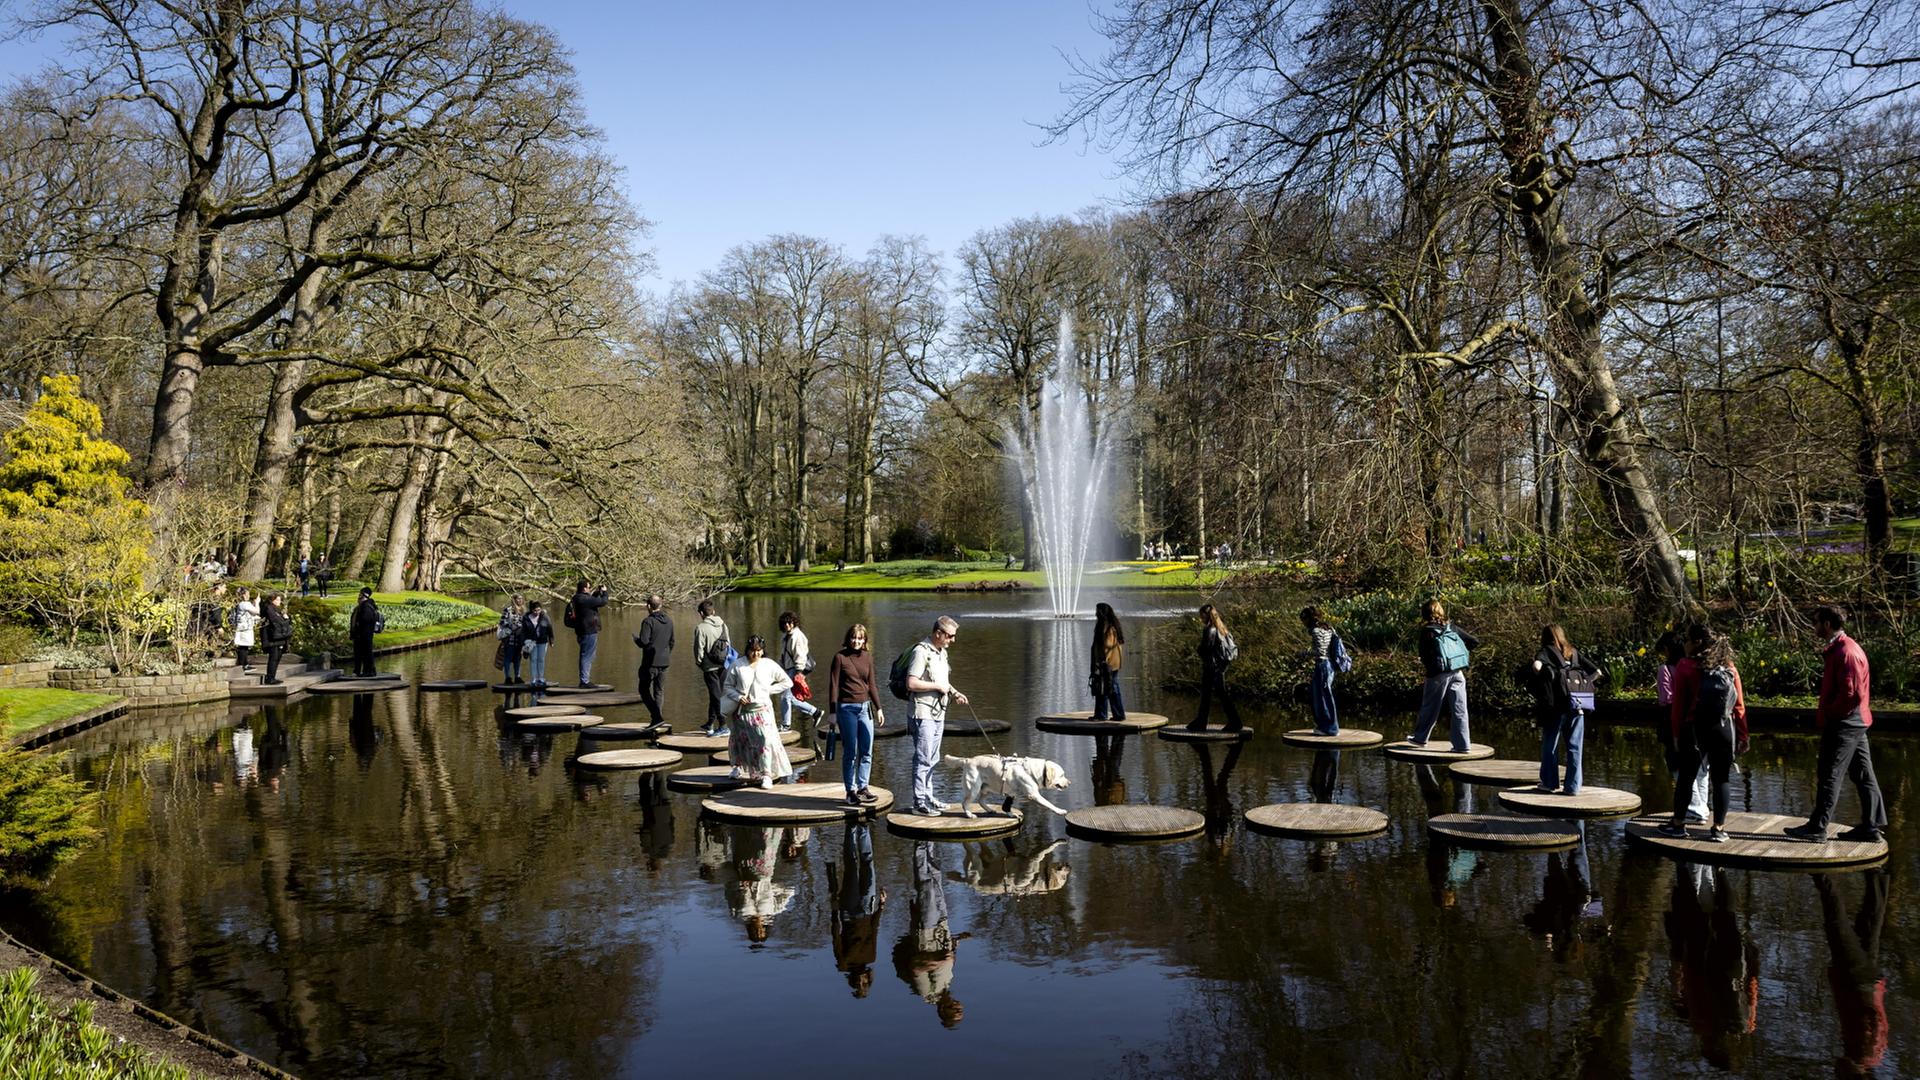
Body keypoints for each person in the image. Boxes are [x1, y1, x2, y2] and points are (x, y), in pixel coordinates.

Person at [1787, 605, 1887, 843]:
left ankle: (1817, 828)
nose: (1813, 626)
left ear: (1827, 624)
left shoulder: (1846, 652)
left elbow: (1852, 695)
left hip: (1845, 722)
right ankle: (1871, 827)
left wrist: (1831, 714)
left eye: (1816, 622)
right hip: (1856, 721)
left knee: (1829, 773)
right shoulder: (1842, 648)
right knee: (1863, 774)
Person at [1658, 631, 1748, 842]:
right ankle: (1718, 829)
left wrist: (1676, 734)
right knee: (1722, 779)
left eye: (1687, 640)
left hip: (1695, 730)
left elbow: (1678, 706)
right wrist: (1743, 735)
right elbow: (1739, 705)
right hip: (1724, 729)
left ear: (1696, 642)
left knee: (1686, 778)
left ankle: (1678, 825)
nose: (1685, 645)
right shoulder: (1729, 667)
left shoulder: (1686, 666)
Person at [892, 842, 966, 1028]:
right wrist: (955, 944)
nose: (958, 1004)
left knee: (926, 885)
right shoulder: (946, 985)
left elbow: (916, 967)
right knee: (936, 878)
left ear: (943, 1010)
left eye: (955, 1009)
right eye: (959, 1008)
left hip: (928, 932)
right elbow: (947, 957)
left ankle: (919, 842)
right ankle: (929, 839)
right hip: (943, 927)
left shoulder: (927, 993)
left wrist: (943, 960)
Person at [903, 616, 968, 816]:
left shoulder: (942, 652)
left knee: (933, 758)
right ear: (938, 633)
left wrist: (955, 693)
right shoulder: (921, 652)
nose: (953, 640)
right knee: (923, 759)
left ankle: (928, 796)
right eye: (950, 636)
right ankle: (919, 803)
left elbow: (943, 682)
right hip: (922, 714)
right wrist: (938, 687)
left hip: (938, 713)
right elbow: (911, 683)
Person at [1530, 623, 1602, 795]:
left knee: (1551, 744)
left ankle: (1549, 783)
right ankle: (1573, 787)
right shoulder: (1573, 652)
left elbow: (1536, 666)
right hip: (1578, 705)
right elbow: (1598, 672)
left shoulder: (1546, 651)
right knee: (1575, 747)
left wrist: (1546, 676)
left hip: (1556, 707)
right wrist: (1584, 683)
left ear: (1545, 637)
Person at [721, 635, 795, 789]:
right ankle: (737, 766)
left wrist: (769, 690)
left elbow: (787, 682)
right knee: (739, 740)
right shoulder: (737, 665)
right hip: (742, 711)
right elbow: (727, 686)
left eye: (759, 650)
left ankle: (766, 774)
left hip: (762, 709)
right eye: (752, 650)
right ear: (747, 650)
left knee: (765, 740)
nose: (756, 654)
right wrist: (738, 696)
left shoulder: (769, 665)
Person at [1408, 600, 1480, 751]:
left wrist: (1431, 665)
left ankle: (1420, 738)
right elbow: (1474, 641)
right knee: (1460, 709)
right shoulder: (1451, 627)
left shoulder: (1427, 631)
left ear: (1425, 614)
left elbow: (1423, 654)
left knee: (1430, 707)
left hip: (1437, 674)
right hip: (1457, 671)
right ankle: (1463, 745)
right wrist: (1457, 653)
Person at [1655, 631, 1711, 824]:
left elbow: (1666, 699)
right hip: (1701, 722)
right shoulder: (1698, 666)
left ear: (1667, 649)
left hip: (1676, 722)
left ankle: (1695, 809)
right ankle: (1703, 807)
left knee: (1678, 767)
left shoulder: (1666, 669)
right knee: (1701, 768)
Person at [828, 623, 884, 807]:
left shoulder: (868, 657)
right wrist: (832, 712)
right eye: (853, 637)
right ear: (848, 638)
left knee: (867, 750)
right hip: (846, 709)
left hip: (865, 708)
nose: (856, 641)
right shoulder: (840, 657)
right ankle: (850, 791)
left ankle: (863, 787)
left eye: (860, 638)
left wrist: (879, 708)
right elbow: (834, 685)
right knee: (851, 751)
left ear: (865, 640)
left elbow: (872, 684)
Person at [830, 823, 886, 998]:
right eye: (865, 983)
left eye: (859, 984)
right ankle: (864, 828)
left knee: (852, 866)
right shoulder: (871, 957)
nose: (862, 981)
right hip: (868, 910)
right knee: (868, 864)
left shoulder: (843, 964)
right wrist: (881, 906)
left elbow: (836, 937)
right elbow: (874, 931)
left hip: (849, 914)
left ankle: (851, 828)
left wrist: (834, 912)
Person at [1187, 604, 1242, 732]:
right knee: (1216, 694)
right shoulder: (1221, 627)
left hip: (1212, 667)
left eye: (1202, 615)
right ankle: (1203, 721)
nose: (1200, 618)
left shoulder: (1210, 629)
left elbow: (1206, 648)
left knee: (1213, 694)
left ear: (1207, 615)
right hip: (1219, 666)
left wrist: (1199, 650)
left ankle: (1233, 722)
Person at [1300, 605, 1341, 736]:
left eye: (1303, 620)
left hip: (1322, 665)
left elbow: (1319, 652)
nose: (1303, 623)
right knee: (1322, 695)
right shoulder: (1328, 628)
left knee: (1321, 697)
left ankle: (1330, 728)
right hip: (1329, 666)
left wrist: (1304, 653)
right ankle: (1327, 726)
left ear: (1308, 619)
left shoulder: (1316, 631)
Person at [777, 611, 821, 732]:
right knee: (790, 697)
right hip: (788, 669)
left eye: (789, 622)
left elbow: (800, 655)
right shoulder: (785, 636)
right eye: (785, 623)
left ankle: (786, 725)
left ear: (794, 622)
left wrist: (799, 673)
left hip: (795, 669)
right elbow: (783, 655)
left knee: (785, 697)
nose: (787, 625)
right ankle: (815, 712)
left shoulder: (797, 636)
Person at [634, 594, 673, 727]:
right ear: (660, 605)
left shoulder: (648, 621)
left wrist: (637, 641)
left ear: (648, 606)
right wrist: (665, 653)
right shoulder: (669, 621)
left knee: (643, 689)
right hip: (664, 661)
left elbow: (644, 642)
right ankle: (658, 718)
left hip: (650, 662)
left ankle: (656, 717)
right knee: (659, 691)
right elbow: (672, 641)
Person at [694, 599, 732, 735]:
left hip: (710, 667)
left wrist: (699, 662)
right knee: (715, 694)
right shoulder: (723, 625)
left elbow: (699, 649)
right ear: (713, 611)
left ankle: (723, 725)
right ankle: (710, 723)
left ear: (701, 613)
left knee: (716, 696)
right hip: (723, 665)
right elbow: (728, 644)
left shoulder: (701, 628)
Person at [565, 581, 610, 688]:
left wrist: (597, 592)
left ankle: (585, 680)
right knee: (586, 656)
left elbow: (592, 600)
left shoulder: (577, 598)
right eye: (589, 587)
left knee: (588, 655)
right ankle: (584, 681)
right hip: (588, 631)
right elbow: (603, 602)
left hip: (582, 630)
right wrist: (605, 592)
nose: (590, 589)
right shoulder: (584, 599)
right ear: (584, 589)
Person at [1089, 602, 1127, 722]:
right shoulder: (1108, 626)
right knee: (1108, 687)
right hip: (1110, 664)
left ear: (1101, 613)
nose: (1095, 613)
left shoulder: (1107, 628)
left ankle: (1106, 714)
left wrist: (1102, 662)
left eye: (1097, 611)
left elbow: (1107, 646)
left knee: (1107, 687)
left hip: (1107, 664)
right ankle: (1112, 714)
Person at [349, 587, 382, 677]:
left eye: (360, 594)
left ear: (364, 595)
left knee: (366, 653)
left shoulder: (366, 606)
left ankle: (368, 671)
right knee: (360, 653)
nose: (358, 596)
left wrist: (358, 627)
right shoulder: (363, 606)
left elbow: (366, 620)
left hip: (364, 634)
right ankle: (358, 671)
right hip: (361, 634)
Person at [260, 593, 292, 684]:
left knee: (277, 657)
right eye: (277, 600)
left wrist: (286, 619)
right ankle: (270, 678)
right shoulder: (269, 609)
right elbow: (276, 621)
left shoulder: (276, 609)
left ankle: (272, 676)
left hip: (278, 637)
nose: (279, 602)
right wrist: (286, 619)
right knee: (274, 657)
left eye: (279, 600)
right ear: (272, 600)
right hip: (273, 637)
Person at [522, 601, 554, 688]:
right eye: (535, 610)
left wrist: (551, 640)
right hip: (531, 642)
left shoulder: (545, 616)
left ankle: (541, 678)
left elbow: (550, 628)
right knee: (533, 659)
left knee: (541, 659)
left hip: (543, 641)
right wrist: (524, 642)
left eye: (538, 610)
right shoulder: (526, 618)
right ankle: (533, 679)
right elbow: (523, 631)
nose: (537, 612)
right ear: (531, 610)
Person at [495, 594, 526, 684]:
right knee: (508, 658)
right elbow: (502, 622)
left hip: (519, 639)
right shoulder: (508, 610)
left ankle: (517, 677)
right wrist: (512, 626)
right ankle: (508, 677)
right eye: (518, 599)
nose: (520, 600)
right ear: (514, 600)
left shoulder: (524, 611)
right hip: (510, 638)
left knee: (518, 658)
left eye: (521, 599)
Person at [231, 587, 260, 672]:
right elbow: (257, 611)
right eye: (247, 594)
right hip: (244, 628)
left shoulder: (241, 604)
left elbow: (253, 613)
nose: (248, 596)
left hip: (244, 627)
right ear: (243, 595)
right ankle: (244, 664)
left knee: (244, 646)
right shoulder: (244, 604)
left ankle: (244, 663)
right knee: (243, 646)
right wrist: (257, 603)